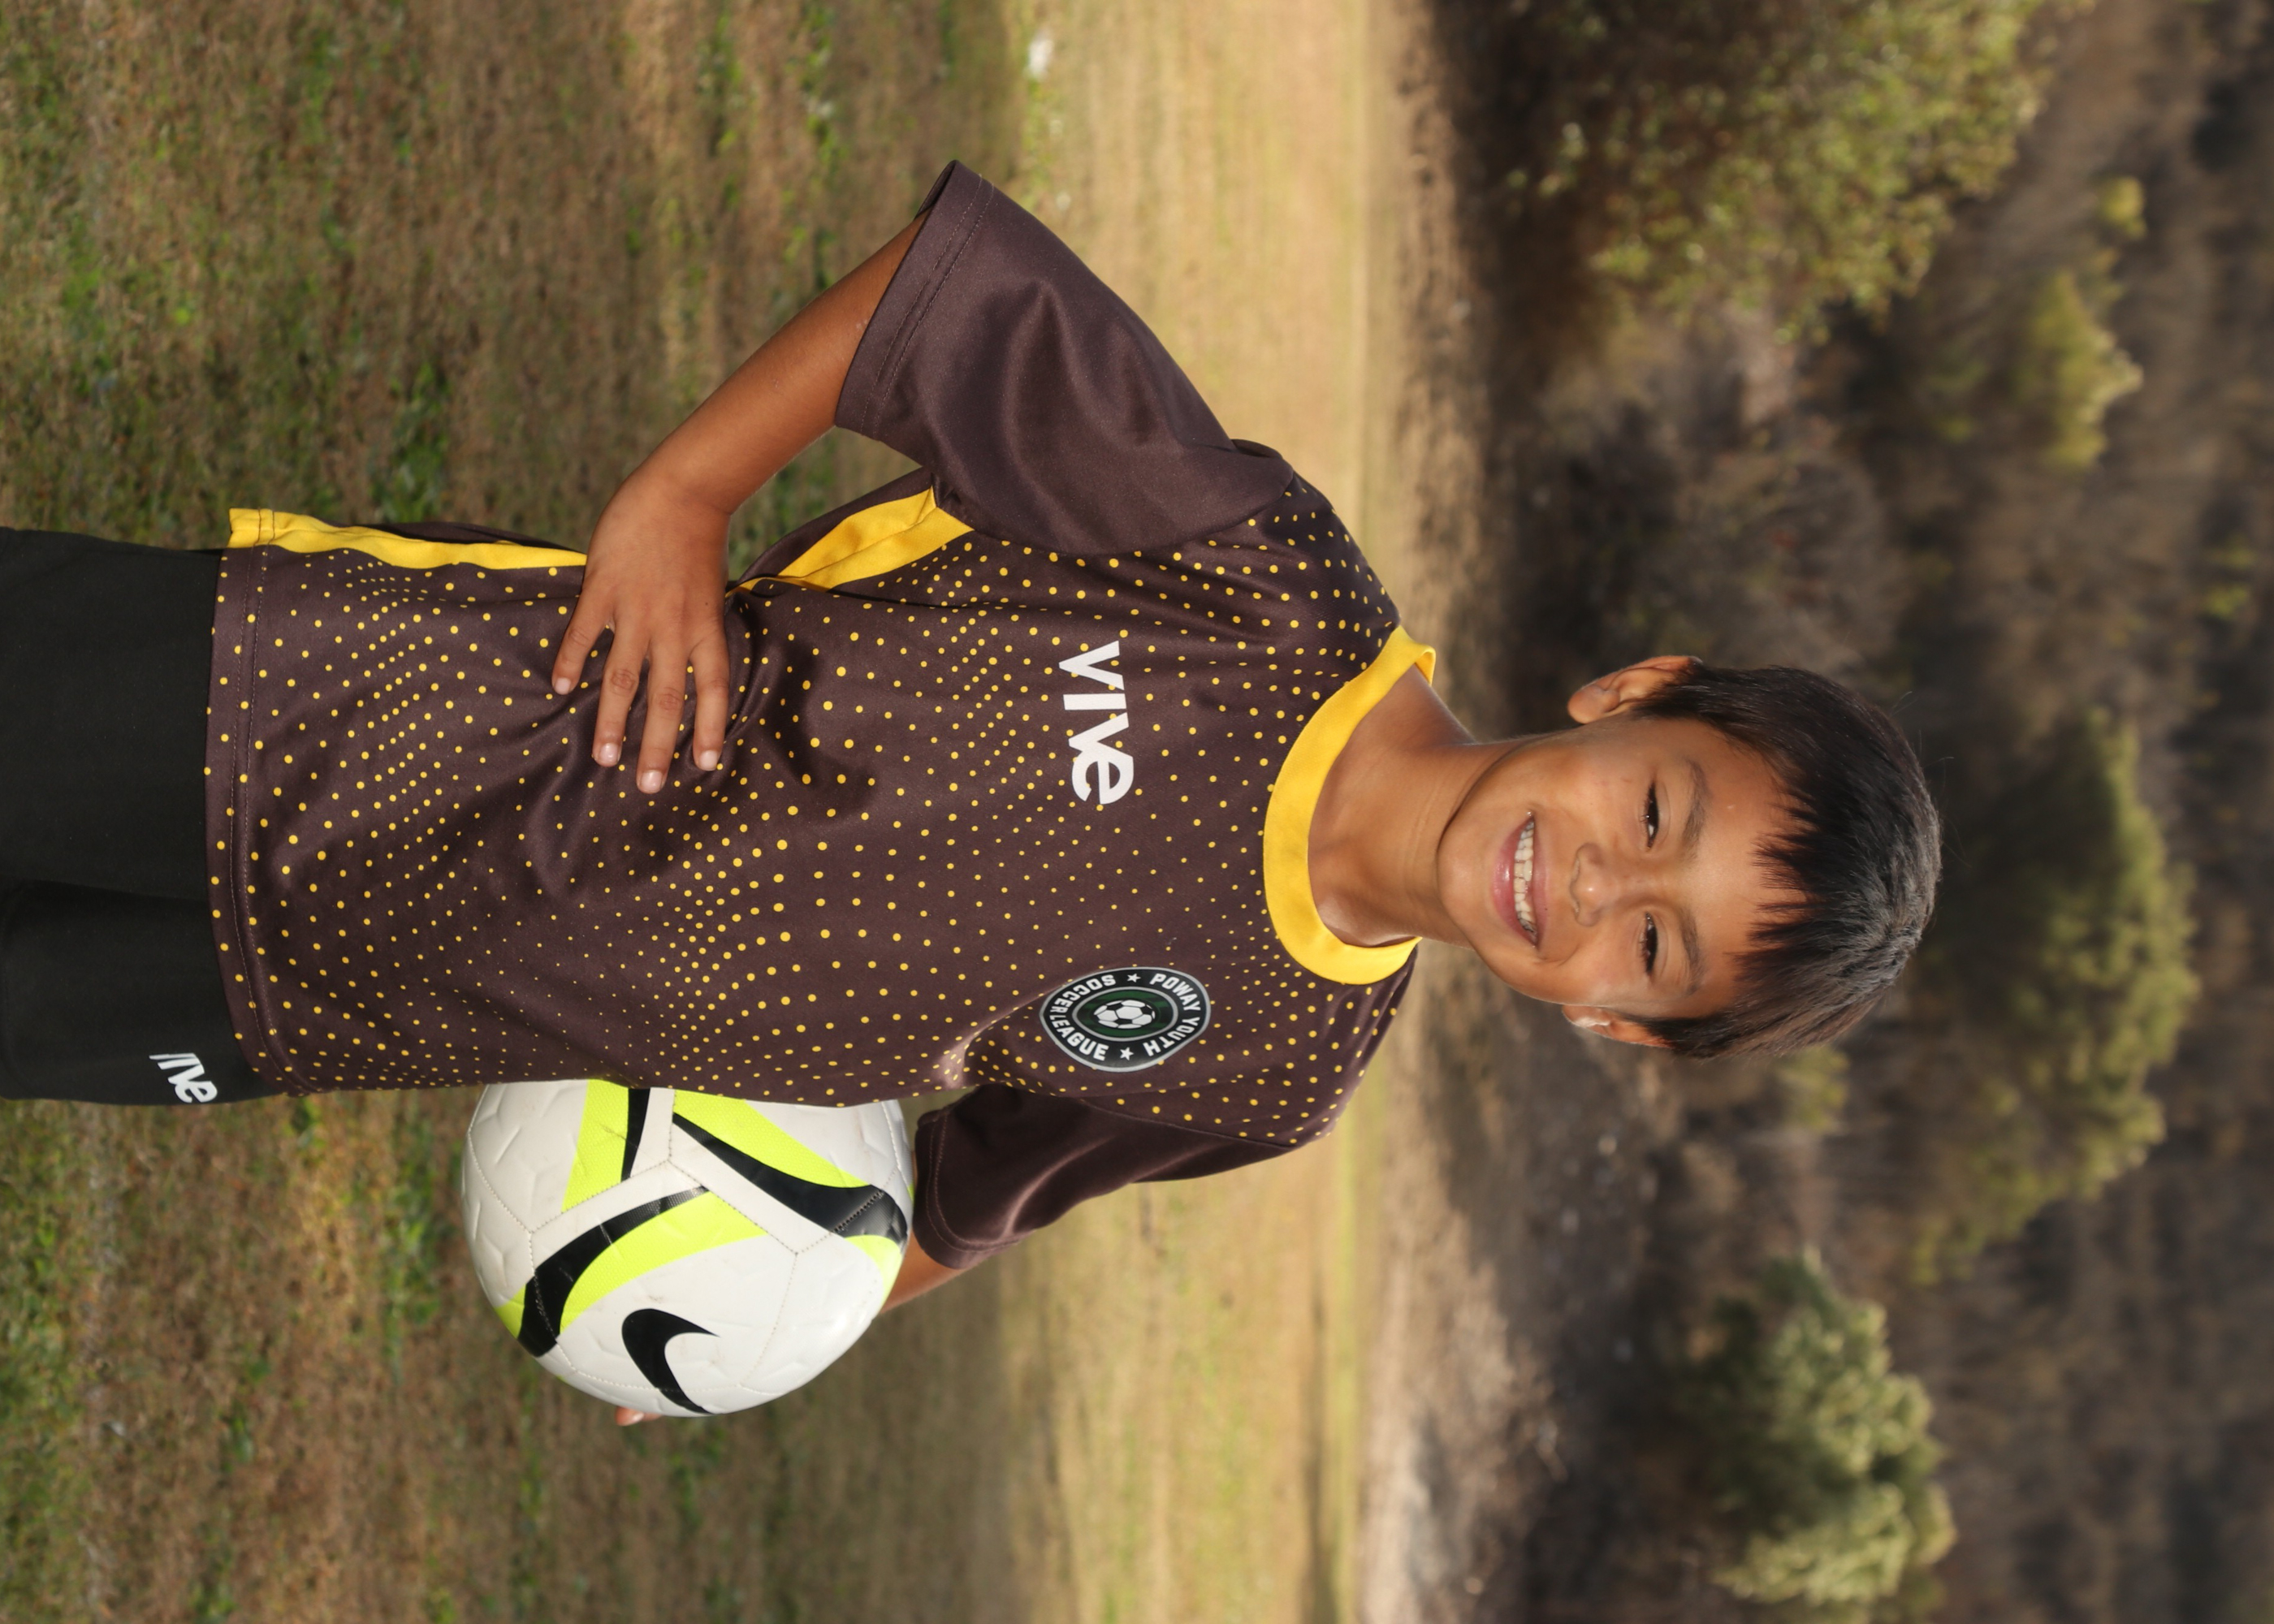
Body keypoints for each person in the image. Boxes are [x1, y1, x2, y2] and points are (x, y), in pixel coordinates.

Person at [0, 163, 1939, 1375]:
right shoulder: (1257, 577)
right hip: (353, 712)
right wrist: (682, 494)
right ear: (1634, 694)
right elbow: (946, 298)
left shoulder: (1273, 1070)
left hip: (338, 1003)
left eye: (1652, 947)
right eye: (1656, 816)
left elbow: (940, 1212)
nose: (1594, 886)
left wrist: (740, 1317)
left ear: (1612, 1023)